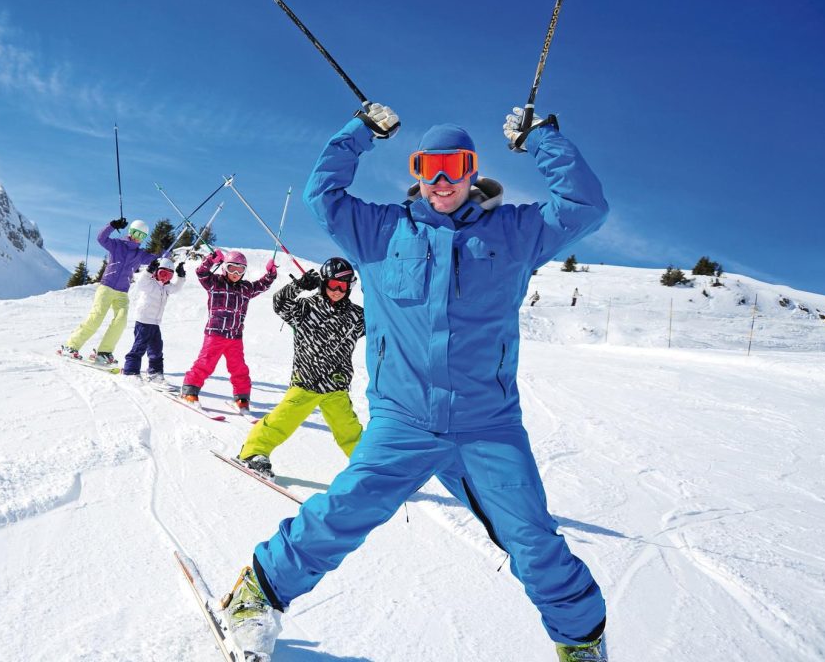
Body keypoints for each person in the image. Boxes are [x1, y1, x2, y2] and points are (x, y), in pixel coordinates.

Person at [218, 103, 611, 662]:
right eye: (431, 166)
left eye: (456, 165)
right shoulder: (380, 230)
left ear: (474, 170)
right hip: (403, 420)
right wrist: (358, 133)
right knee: (344, 511)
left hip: (488, 425)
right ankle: (255, 594)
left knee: (533, 540)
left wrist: (543, 139)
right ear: (417, 170)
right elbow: (321, 196)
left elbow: (585, 206)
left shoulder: (516, 232)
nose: (443, 180)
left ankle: (581, 643)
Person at [236, 257, 365, 479]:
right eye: (332, 285)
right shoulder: (306, 308)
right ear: (323, 283)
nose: (336, 291)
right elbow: (279, 303)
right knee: (282, 420)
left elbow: (383, 326)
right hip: (307, 380)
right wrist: (299, 286)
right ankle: (254, 452)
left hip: (336, 386)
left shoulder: (356, 316)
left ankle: (371, 468)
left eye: (342, 286)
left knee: (350, 431)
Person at [180, 249, 277, 410]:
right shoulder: (215, 282)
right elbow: (201, 272)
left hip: (235, 337)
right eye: (232, 268)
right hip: (215, 334)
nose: (236, 273)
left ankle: (242, 397)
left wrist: (271, 274)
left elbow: (262, 285)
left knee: (239, 368)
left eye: (240, 270)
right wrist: (210, 260)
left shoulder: (246, 288)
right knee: (205, 363)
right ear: (225, 268)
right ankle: (189, 390)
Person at [60, 218, 150, 364]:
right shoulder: (117, 245)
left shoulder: (140, 254)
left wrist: (165, 249)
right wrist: (112, 226)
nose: (137, 238)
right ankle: (70, 346)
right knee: (96, 318)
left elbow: (157, 258)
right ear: (130, 232)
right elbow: (101, 238)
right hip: (106, 287)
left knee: (121, 321)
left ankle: (103, 352)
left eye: (142, 236)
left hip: (122, 292)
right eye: (135, 233)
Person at [121, 257, 187, 386]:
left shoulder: (166, 287)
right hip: (143, 321)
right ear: (156, 272)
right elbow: (141, 283)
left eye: (169, 276)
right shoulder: (149, 283)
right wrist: (148, 271)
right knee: (139, 347)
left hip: (155, 323)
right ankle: (130, 371)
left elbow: (177, 288)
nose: (164, 278)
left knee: (156, 350)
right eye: (162, 273)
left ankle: (155, 372)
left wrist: (181, 276)